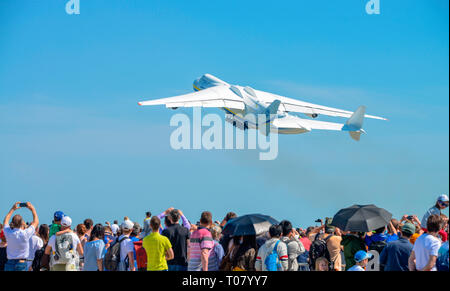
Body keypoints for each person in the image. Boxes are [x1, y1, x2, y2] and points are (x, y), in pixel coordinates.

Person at [3, 202, 39, 271]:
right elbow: (36, 222)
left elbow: (5, 221)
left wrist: (12, 209)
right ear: (22, 223)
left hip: (9, 262)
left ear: (12, 223)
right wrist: (32, 209)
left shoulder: (8, 232)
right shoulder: (25, 233)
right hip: (21, 262)